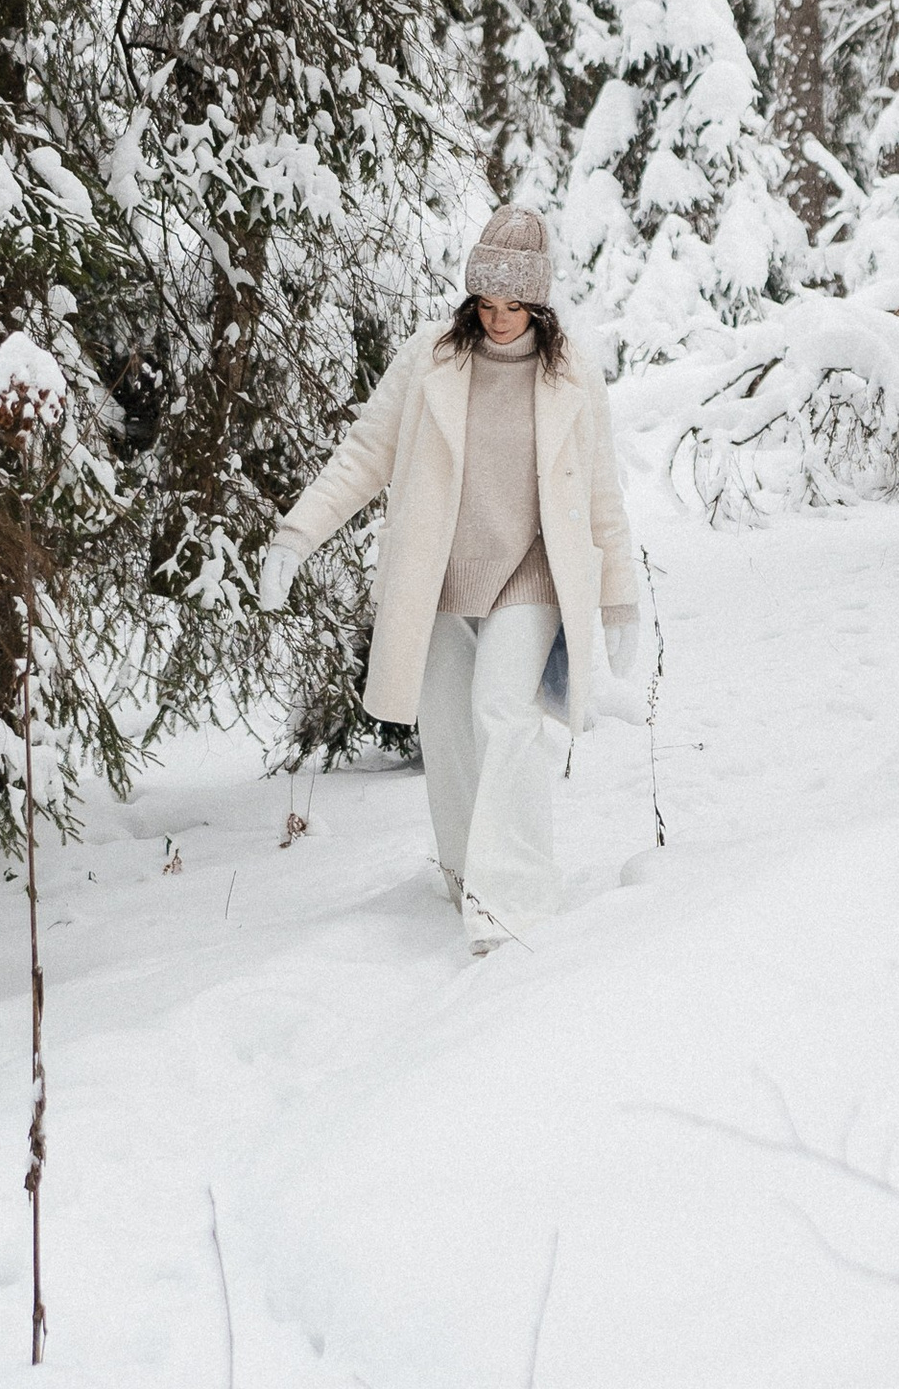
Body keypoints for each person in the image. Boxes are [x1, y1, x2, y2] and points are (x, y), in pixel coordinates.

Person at [257, 204, 641, 953]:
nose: (499, 321)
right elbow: (364, 454)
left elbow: (600, 494)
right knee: (450, 728)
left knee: (505, 712)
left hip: (529, 572)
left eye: (515, 307)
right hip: (438, 575)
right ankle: (469, 874)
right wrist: (296, 535)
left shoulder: (570, 375)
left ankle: (516, 899)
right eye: (487, 305)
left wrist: (619, 597)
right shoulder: (429, 360)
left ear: (539, 305)